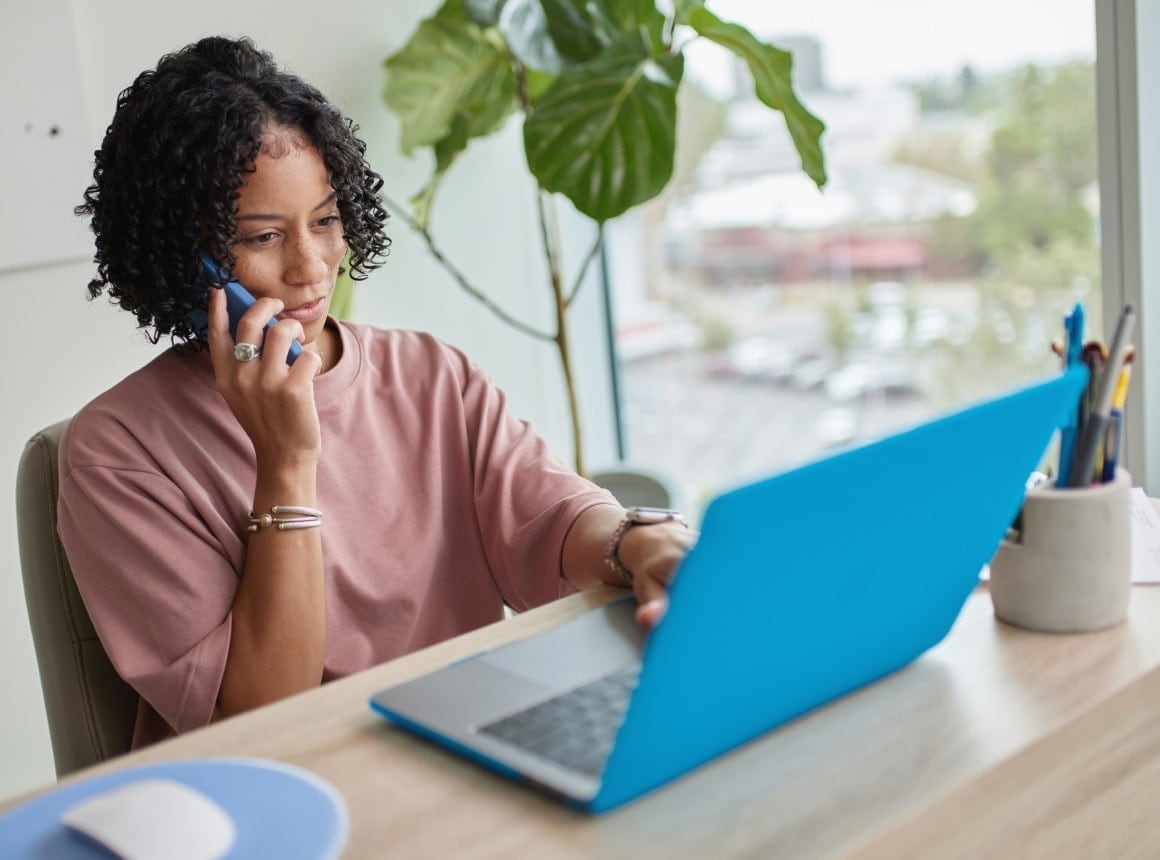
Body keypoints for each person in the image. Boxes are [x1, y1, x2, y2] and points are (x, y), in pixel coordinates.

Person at [59, 36, 693, 749]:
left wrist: (638, 542)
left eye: (326, 222)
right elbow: (260, 720)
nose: (311, 267)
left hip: (461, 748)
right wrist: (287, 458)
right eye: (264, 236)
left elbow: (550, 522)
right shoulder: (117, 449)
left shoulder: (430, 374)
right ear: (190, 254)